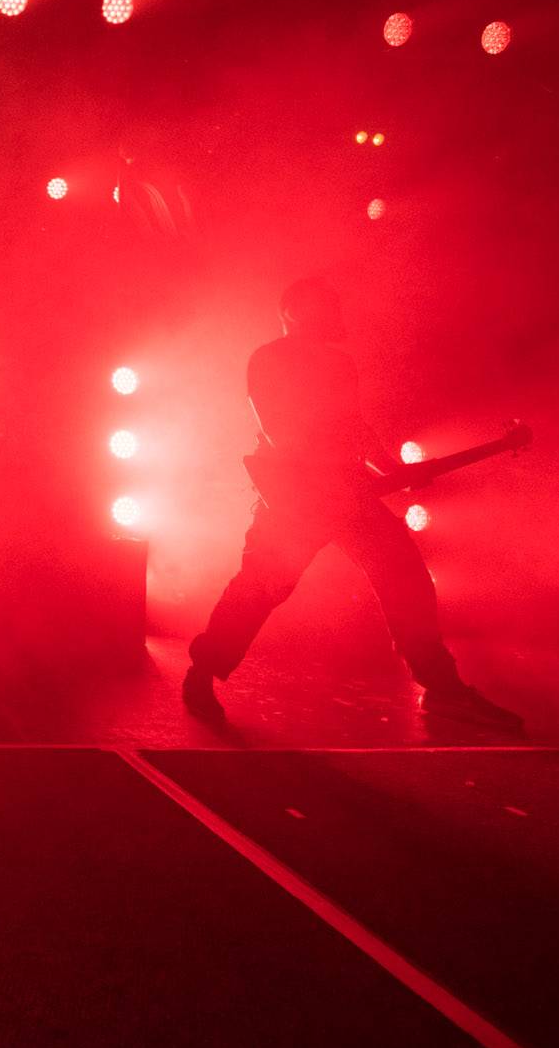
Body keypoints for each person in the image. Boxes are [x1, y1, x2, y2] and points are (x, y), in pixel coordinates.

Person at [183, 278, 524, 731]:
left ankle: (442, 688)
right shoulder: (269, 359)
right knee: (262, 586)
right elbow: (277, 429)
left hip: (344, 491)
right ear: (290, 311)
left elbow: (355, 426)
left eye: (331, 304)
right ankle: (202, 672)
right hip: (297, 497)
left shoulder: (340, 364)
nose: (328, 313)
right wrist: (340, 474)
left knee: (403, 576)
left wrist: (390, 470)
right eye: (318, 305)